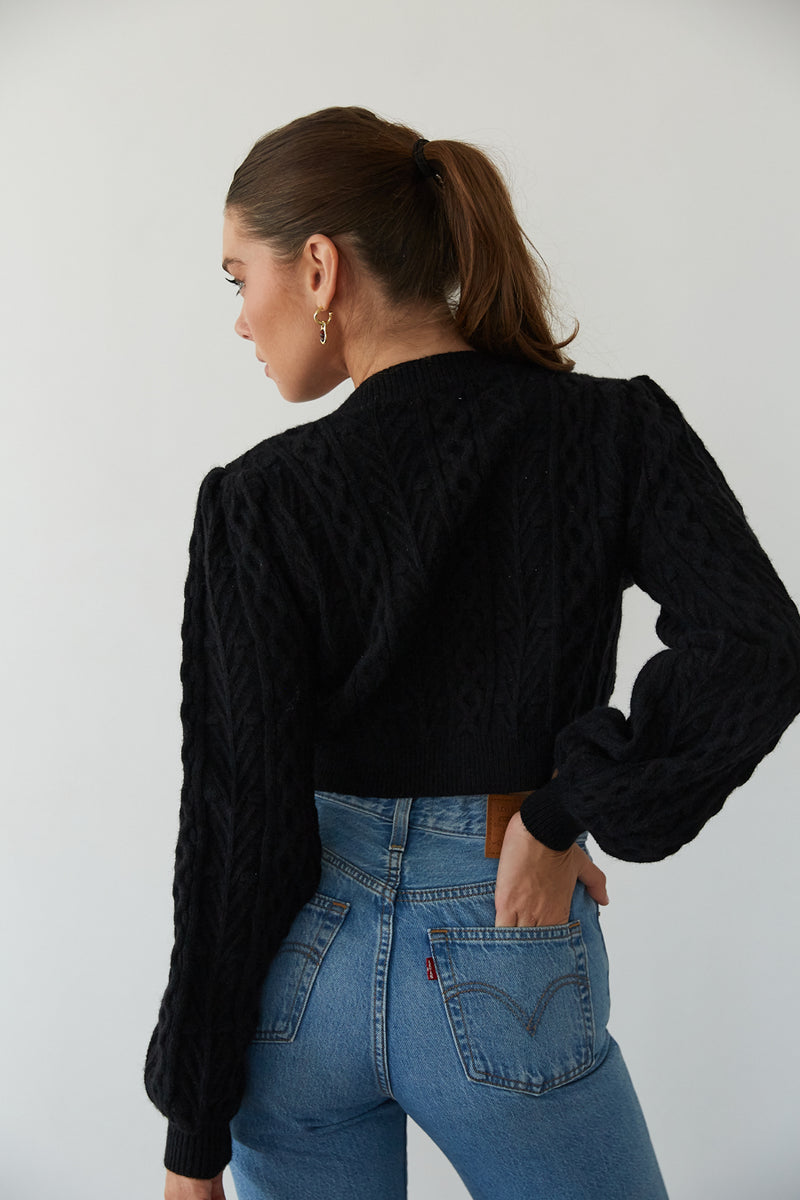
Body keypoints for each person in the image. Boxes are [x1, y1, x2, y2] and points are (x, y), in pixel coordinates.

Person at [144, 106, 800, 1200]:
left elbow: (235, 823)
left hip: (298, 978)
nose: (241, 318)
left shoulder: (258, 503)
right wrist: (555, 813)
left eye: (237, 277)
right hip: (506, 941)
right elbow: (757, 644)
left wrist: (191, 1134)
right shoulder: (610, 434)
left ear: (318, 268)